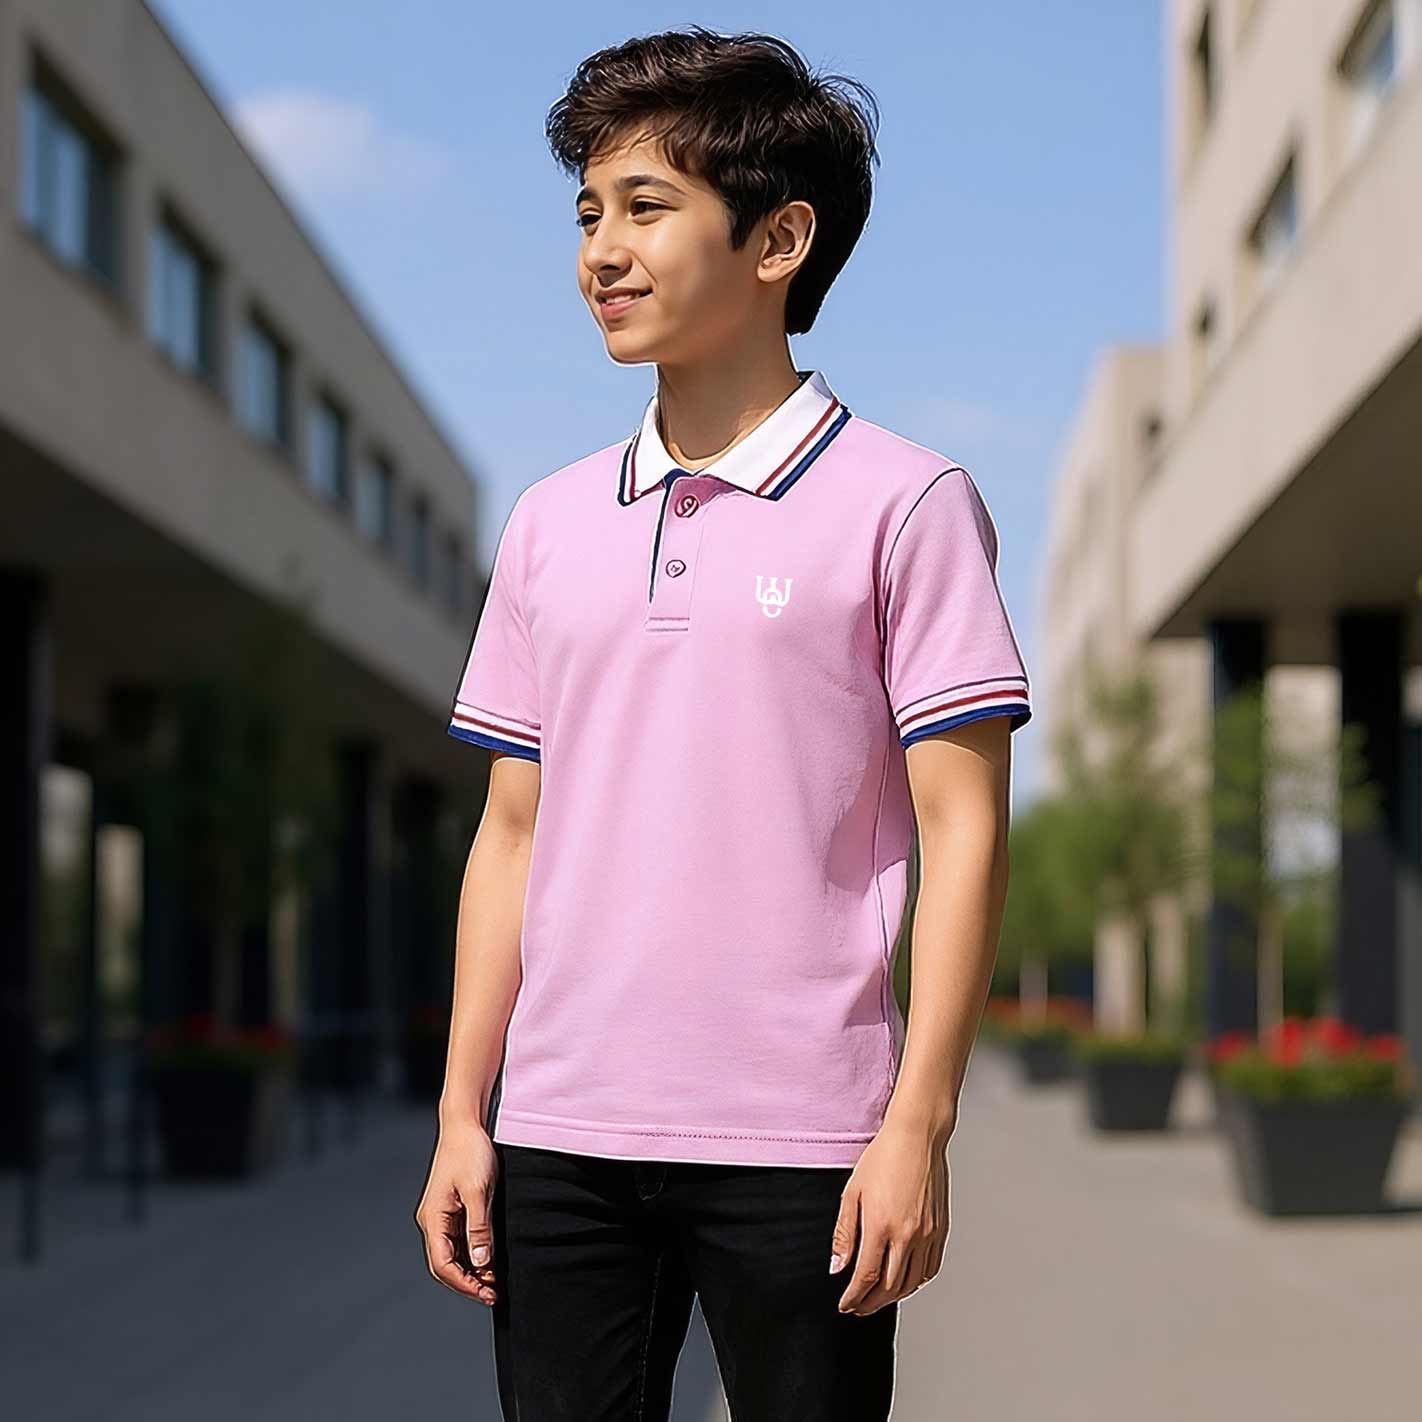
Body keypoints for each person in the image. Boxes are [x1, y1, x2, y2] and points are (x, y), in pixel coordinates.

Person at [414, 25, 1032, 1421]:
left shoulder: (905, 502)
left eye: (645, 207)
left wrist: (917, 1124)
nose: (600, 252)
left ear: (778, 239)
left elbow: (963, 824)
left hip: (807, 1137)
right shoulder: (548, 523)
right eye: (587, 212)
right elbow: (509, 836)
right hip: (562, 1135)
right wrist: (466, 1111)